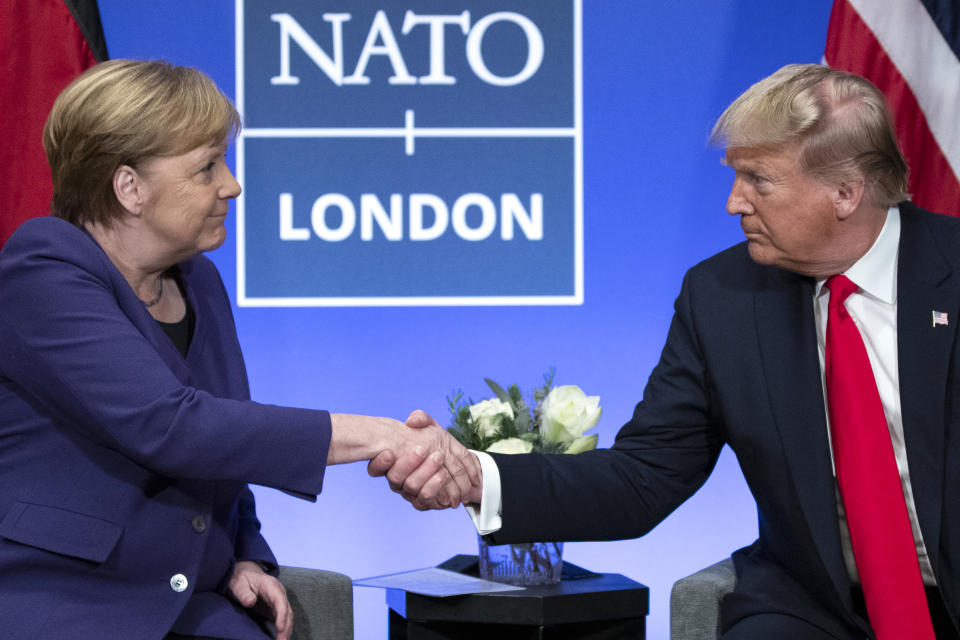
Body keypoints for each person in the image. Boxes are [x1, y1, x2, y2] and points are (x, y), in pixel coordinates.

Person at [377, 64, 960, 638]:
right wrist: (479, 477)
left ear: (845, 193)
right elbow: (643, 478)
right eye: (735, 176)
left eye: (760, 180)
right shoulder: (722, 298)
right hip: (815, 607)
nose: (734, 203)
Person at [0, 59, 479, 640]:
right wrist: (381, 435)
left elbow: (225, 441)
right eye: (206, 167)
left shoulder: (198, 278)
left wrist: (248, 554)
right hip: (69, 599)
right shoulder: (42, 270)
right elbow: (171, 425)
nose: (231, 184)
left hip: (192, 602)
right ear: (129, 187)